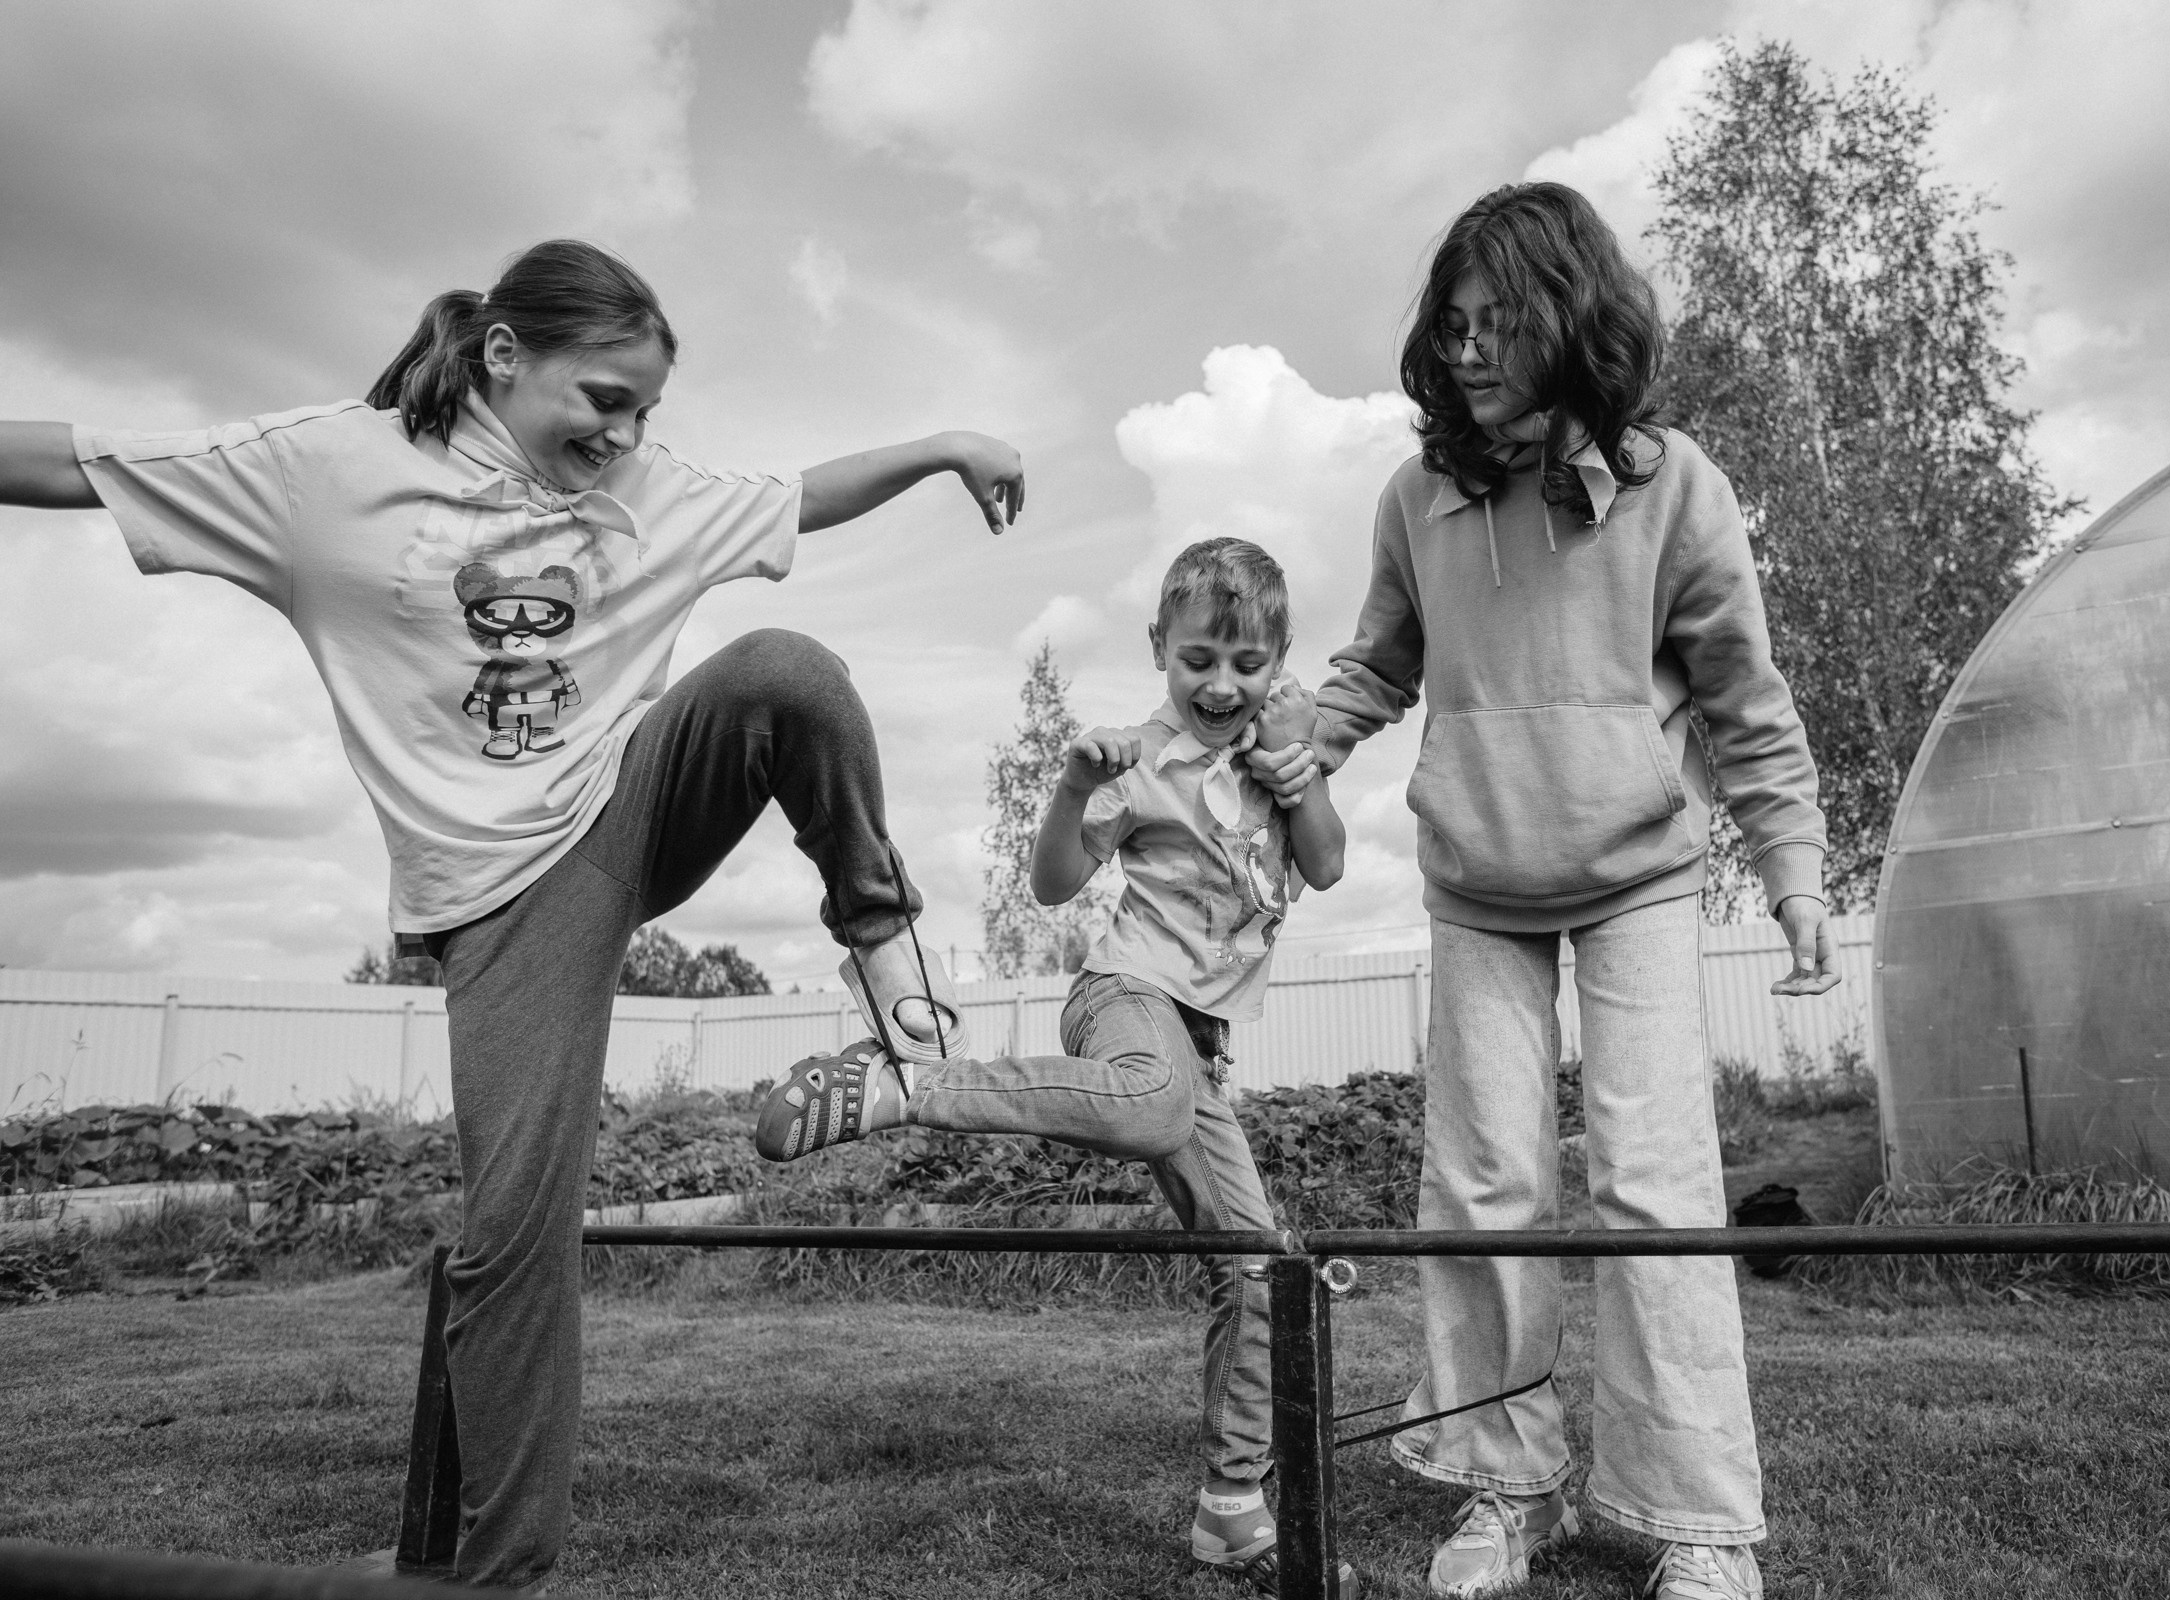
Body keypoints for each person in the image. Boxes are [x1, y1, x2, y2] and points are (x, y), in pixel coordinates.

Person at [0, 238, 1023, 1591]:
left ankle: (884, 947)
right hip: (496, 904)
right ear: (503, 357)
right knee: (514, 1233)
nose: (626, 434)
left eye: (646, 412)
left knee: (789, 673)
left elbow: (800, 494)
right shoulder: (328, 472)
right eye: (603, 399)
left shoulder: (647, 489)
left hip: (626, 809)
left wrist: (945, 444)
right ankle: (501, 1572)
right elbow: (86, 460)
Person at [1248, 183, 1841, 1600]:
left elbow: (1746, 702)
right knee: (1484, 1188)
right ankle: (1506, 1491)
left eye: (1492, 325)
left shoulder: (1673, 486)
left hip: (1636, 875)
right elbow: (1379, 663)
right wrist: (1306, 744)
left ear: (1566, 321)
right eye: (1447, 326)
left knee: (1653, 1189)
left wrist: (1798, 875)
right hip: (1478, 881)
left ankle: (1696, 1519)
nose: (1461, 351)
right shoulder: (1420, 498)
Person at [756, 537, 1354, 1598]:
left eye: (1247, 663)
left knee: (1257, 1267)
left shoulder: (1282, 744)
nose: (1222, 683)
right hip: (1122, 1001)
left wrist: (1303, 774)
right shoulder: (1141, 762)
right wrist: (1073, 789)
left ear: (1277, 659)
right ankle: (911, 1085)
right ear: (1160, 649)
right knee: (1155, 1099)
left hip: (1197, 1049)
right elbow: (1051, 881)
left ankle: (1229, 1510)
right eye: (1199, 658)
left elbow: (1327, 862)